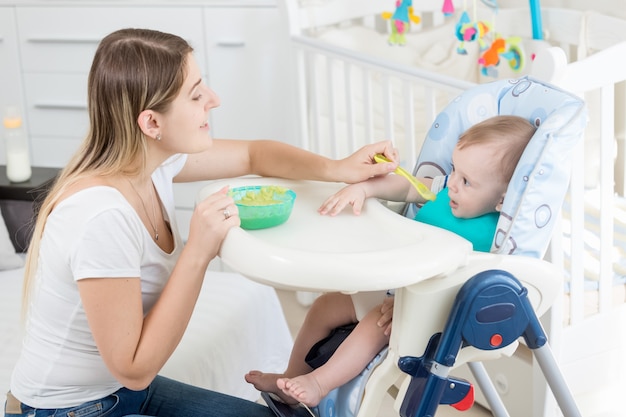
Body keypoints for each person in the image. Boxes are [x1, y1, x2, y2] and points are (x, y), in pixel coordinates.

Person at [4, 28, 400, 417]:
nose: (214, 99)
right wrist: (199, 250)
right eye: (195, 95)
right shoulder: (100, 218)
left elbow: (254, 155)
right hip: (69, 408)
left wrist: (338, 168)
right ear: (151, 124)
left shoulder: (150, 164)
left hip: (118, 392)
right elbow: (135, 368)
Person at [245, 115, 536, 407]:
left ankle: (319, 383)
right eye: (455, 170)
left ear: (503, 199)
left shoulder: (494, 235)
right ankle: (291, 377)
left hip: (429, 310)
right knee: (325, 306)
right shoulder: (446, 188)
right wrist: (365, 189)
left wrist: (414, 303)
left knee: (374, 323)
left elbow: (468, 285)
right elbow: (407, 188)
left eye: (467, 181)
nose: (453, 185)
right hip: (395, 285)